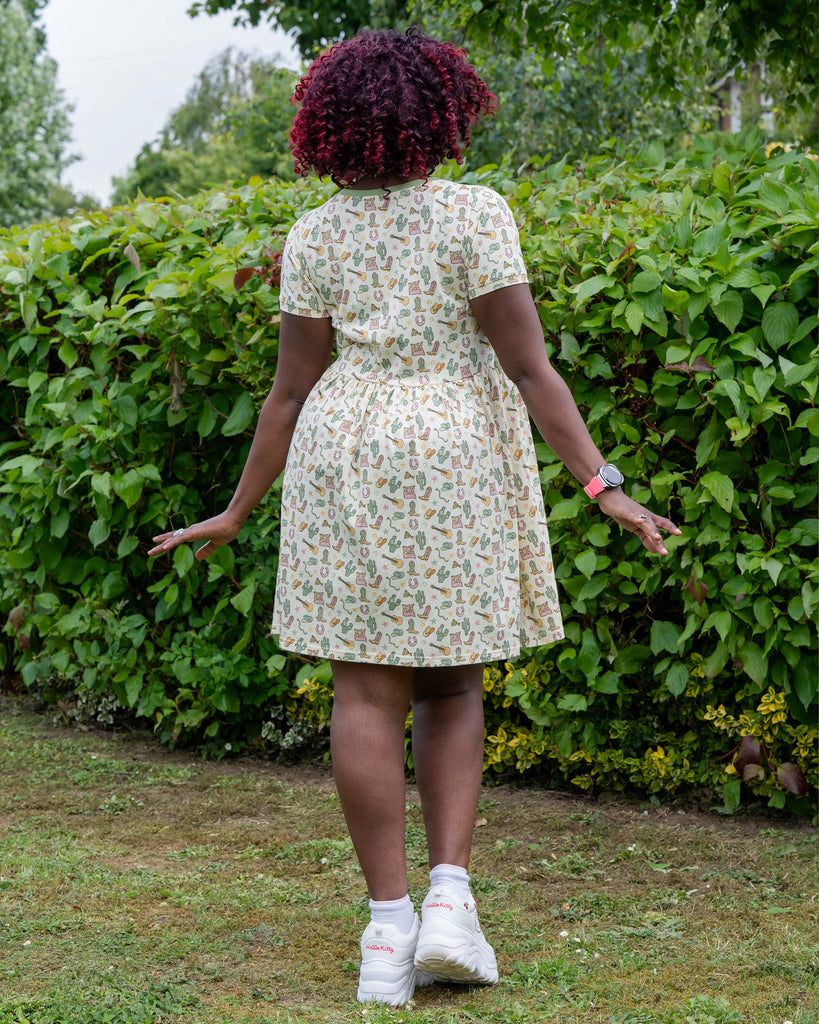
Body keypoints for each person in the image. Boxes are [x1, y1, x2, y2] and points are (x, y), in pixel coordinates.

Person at [149, 28, 681, 1008]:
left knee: (365, 690)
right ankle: (447, 904)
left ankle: (386, 931)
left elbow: (286, 393)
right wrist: (606, 485)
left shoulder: (316, 235)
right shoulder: (474, 216)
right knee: (451, 682)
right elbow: (529, 369)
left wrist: (234, 510)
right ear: (441, 112)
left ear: (333, 125)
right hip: (450, 450)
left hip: (346, 447)